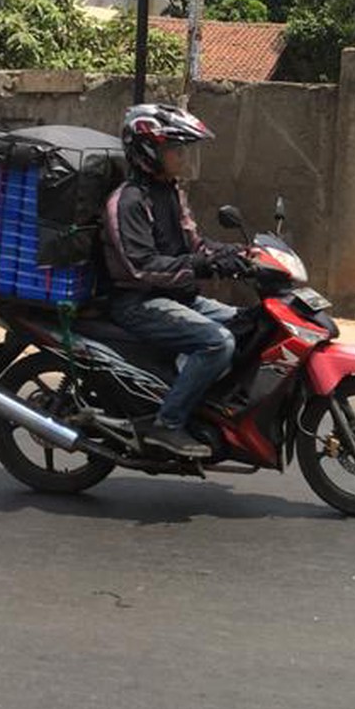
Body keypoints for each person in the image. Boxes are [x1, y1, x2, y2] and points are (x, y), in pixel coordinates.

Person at [101, 103, 251, 459]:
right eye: (175, 150)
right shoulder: (128, 202)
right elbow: (142, 267)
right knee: (218, 343)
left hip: (179, 298)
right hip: (139, 303)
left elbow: (193, 243)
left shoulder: (170, 192)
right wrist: (202, 266)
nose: (183, 158)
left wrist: (237, 255)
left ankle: (209, 407)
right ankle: (167, 425)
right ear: (149, 151)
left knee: (250, 324)